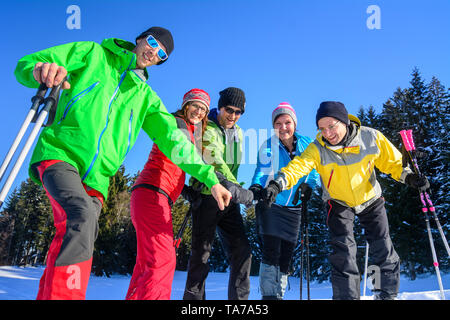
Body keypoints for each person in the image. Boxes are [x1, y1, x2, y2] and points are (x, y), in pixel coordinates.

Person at [14, 27, 231, 300]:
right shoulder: (94, 54)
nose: (154, 52)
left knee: (78, 230)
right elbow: (28, 64)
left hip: (98, 178)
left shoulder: (146, 97)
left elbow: (176, 144)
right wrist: (40, 71)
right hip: (60, 153)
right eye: (152, 43)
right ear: (140, 39)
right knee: (80, 216)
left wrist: (210, 179)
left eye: (162, 54)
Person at [263, 101, 429, 300]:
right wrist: (277, 184)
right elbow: (297, 167)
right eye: (322, 128)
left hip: (370, 198)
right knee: (343, 252)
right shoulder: (317, 148)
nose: (328, 133)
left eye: (331, 126)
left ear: (344, 121)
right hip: (338, 201)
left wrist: (408, 176)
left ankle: (384, 294)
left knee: (381, 248)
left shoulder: (370, 137)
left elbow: (392, 162)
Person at [125, 88, 211, 300]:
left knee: (147, 262)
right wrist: (209, 178)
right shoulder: (177, 125)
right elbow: (181, 154)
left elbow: (173, 165)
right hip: (152, 193)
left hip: (154, 195)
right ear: (185, 105)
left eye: (203, 109)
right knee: (163, 259)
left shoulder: (189, 132)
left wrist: (188, 190)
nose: (199, 111)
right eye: (195, 105)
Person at [183, 87, 254, 300]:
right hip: (206, 195)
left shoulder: (238, 132)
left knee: (242, 252)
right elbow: (214, 158)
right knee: (201, 255)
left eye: (238, 112)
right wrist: (237, 189)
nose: (232, 115)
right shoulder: (208, 127)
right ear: (220, 107)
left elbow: (232, 169)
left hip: (229, 199)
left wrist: (234, 190)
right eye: (228, 109)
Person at [249, 102, 320, 300]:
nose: (283, 127)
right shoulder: (268, 146)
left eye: (287, 122)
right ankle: (269, 295)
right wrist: (256, 186)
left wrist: (309, 188)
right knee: (271, 251)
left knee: (286, 254)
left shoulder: (307, 144)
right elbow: (261, 173)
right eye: (278, 123)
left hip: (294, 208)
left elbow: (313, 171)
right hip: (271, 204)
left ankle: (279, 294)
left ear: (294, 123)